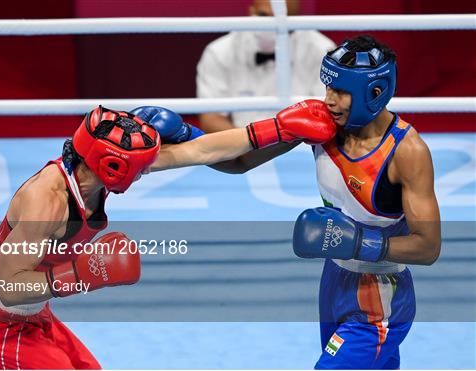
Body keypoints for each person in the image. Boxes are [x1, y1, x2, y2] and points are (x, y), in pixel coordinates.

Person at [141, 35, 441, 369]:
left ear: (374, 93)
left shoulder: (407, 152)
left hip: (381, 295)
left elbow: (427, 247)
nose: (329, 100)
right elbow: (240, 161)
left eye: (341, 92)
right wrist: (186, 135)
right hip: (334, 281)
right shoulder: (320, 124)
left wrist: (359, 242)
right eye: (328, 88)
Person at [0, 106, 161, 369]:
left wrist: (229, 139)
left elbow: (198, 152)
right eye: (139, 168)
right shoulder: (45, 202)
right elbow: (9, 289)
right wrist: (78, 276)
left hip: (36, 316)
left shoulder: (88, 173)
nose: (145, 173)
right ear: (113, 166)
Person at [196, 0, 335, 133]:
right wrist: (249, 147)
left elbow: (327, 115)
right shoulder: (220, 51)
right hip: (244, 147)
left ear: (294, 19)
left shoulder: (321, 50)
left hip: (302, 146)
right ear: (251, 12)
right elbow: (211, 119)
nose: (271, 26)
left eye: (281, 18)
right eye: (264, 16)